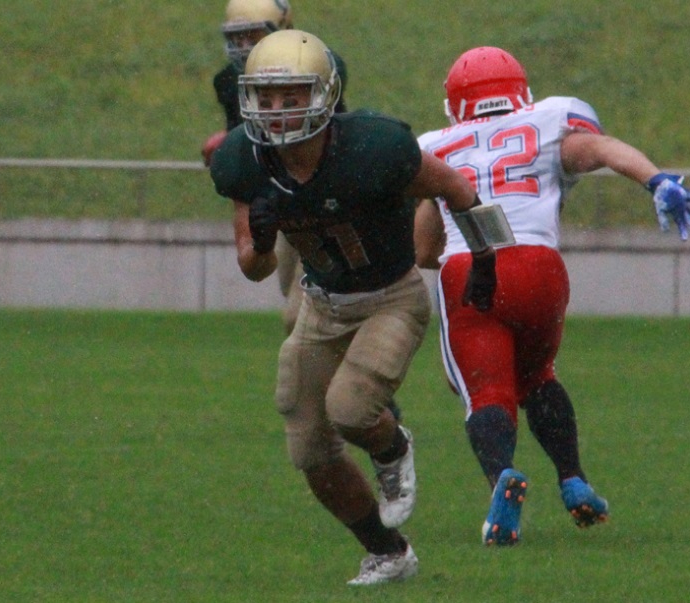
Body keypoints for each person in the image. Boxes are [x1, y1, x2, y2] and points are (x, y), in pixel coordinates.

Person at [209, 30, 498, 584]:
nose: (278, 110)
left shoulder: (374, 147)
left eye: (292, 95)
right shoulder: (243, 160)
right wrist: (263, 240)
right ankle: (388, 553)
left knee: (350, 408)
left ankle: (392, 447)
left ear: (324, 94)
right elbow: (254, 267)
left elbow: (455, 186)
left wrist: (485, 258)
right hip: (321, 306)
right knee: (309, 447)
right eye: (266, 97)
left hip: (391, 298)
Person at [414, 46, 690, 546]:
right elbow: (601, 149)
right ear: (519, 90)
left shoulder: (437, 145)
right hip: (541, 269)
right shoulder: (548, 121)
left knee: (487, 392)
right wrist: (656, 181)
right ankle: (573, 480)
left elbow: (423, 251)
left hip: (472, 270)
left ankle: (503, 479)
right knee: (537, 378)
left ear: (455, 102)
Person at [201, 0, 349, 336]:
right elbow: (249, 139)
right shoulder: (229, 81)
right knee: (286, 284)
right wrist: (227, 139)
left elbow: (329, 128)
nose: (243, 46)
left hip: (322, 196)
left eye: (251, 36)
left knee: (300, 314)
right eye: (236, 37)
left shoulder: (318, 64)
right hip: (276, 197)